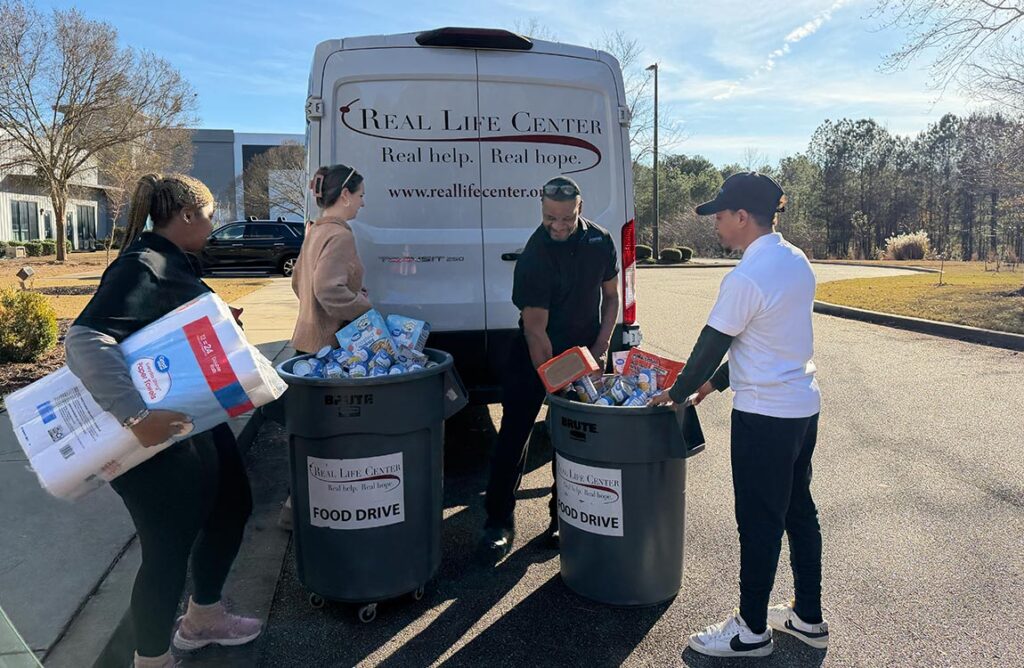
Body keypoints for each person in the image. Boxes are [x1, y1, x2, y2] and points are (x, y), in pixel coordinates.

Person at [65, 174, 260, 668]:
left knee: (230, 507)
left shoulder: (170, 261)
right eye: (211, 215)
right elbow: (85, 341)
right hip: (154, 437)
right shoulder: (142, 264)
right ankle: (151, 659)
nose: (214, 226)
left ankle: (204, 619)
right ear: (189, 214)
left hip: (192, 422)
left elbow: (161, 328)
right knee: (167, 548)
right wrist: (137, 417)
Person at [649, 172, 828, 658]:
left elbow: (713, 343)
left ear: (743, 217)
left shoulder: (745, 276)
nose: (717, 226)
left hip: (763, 418)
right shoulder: (795, 261)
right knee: (798, 510)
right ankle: (809, 616)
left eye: (721, 216)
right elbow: (766, 342)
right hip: (800, 410)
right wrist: (711, 385)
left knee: (759, 521)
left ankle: (750, 632)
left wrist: (677, 390)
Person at [478, 175, 620, 564]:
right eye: (549, 219)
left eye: (565, 219)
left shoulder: (601, 241)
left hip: (584, 351)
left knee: (573, 438)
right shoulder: (535, 256)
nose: (557, 227)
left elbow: (611, 298)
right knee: (515, 435)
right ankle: (498, 521)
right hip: (534, 354)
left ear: (580, 208)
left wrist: (599, 349)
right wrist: (556, 385)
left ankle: (562, 517)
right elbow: (536, 331)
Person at [279, 164, 373, 530]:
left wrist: (315, 310)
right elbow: (329, 289)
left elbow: (299, 283)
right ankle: (322, 513)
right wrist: (364, 307)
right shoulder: (340, 235)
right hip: (329, 348)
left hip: (306, 341)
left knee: (311, 432)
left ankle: (294, 506)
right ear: (346, 195)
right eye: (361, 195)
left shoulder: (315, 231)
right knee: (336, 436)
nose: (363, 204)